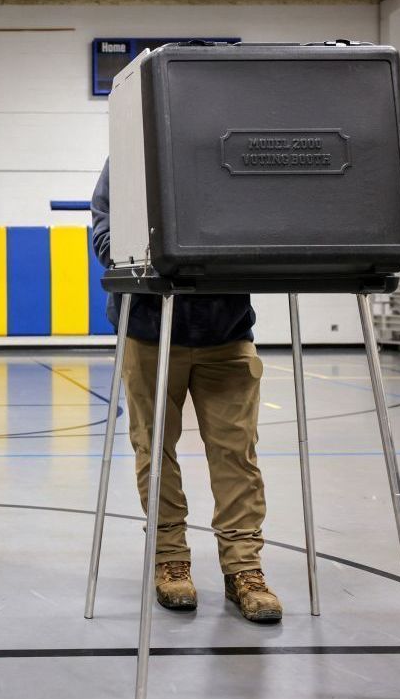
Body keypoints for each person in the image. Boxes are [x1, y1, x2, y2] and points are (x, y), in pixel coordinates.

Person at [90, 158, 283, 623]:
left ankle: (244, 570)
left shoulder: (238, 155)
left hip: (228, 329)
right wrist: (165, 257)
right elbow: (104, 235)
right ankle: (169, 559)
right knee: (154, 451)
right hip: (149, 329)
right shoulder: (130, 154)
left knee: (236, 453)